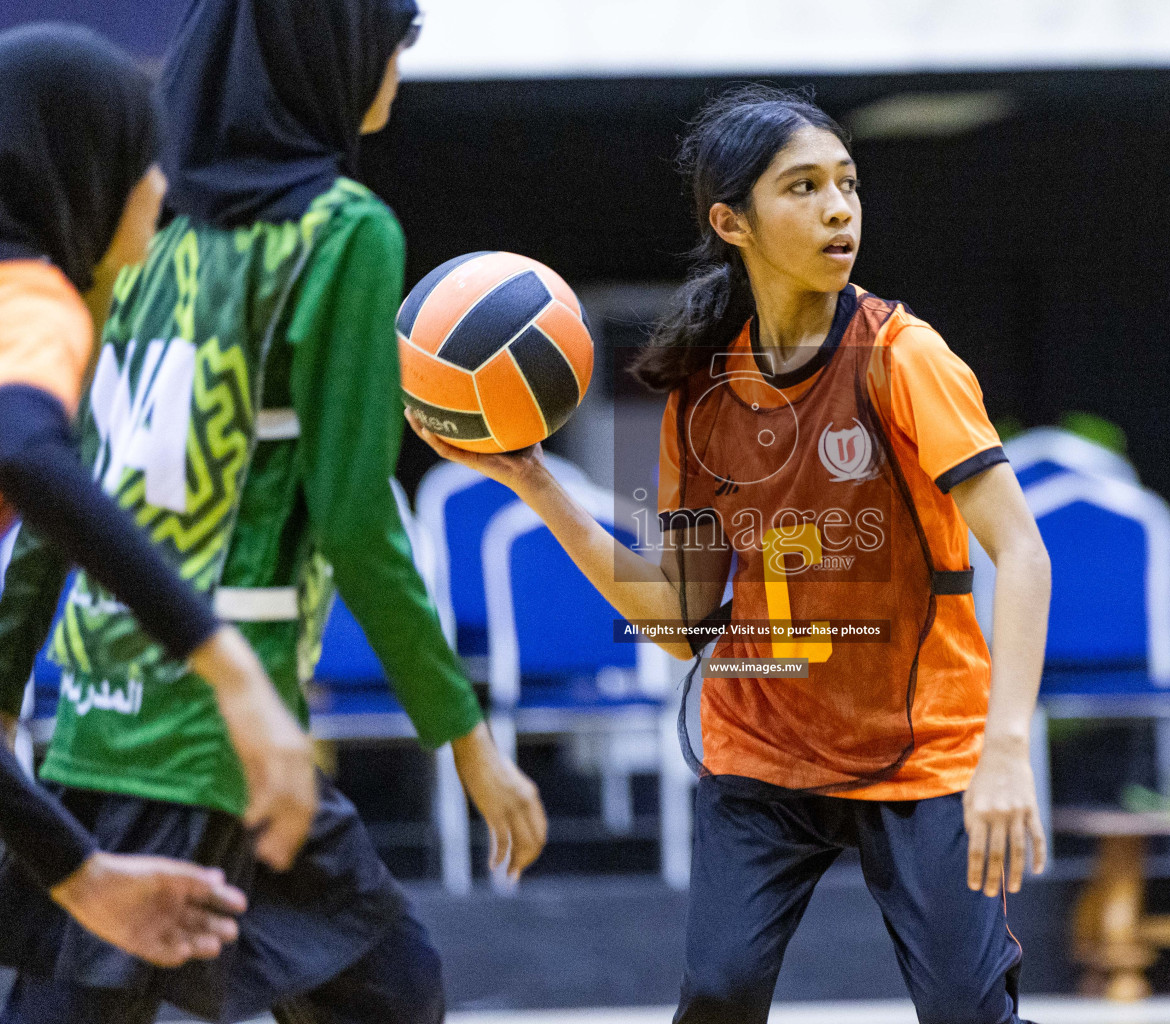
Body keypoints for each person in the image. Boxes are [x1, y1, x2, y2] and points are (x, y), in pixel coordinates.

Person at [409, 86, 1052, 1024]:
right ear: (732, 221)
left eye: (847, 184)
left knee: (966, 1011)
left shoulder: (902, 357)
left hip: (923, 752)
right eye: (803, 187)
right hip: (763, 746)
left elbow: (1022, 552)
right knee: (718, 995)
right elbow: (682, 626)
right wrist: (540, 486)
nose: (839, 209)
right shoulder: (701, 387)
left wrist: (1005, 752)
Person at [0, 4, 546, 1022]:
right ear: (325, 52)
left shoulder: (135, 233)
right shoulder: (343, 232)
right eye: (392, 39)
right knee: (395, 994)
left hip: (98, 708)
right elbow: (354, 521)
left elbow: (62, 481)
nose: (396, 68)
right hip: (219, 741)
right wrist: (463, 734)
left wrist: (1, 675)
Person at [0, 23, 321, 969]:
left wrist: (80, 874)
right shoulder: (23, 299)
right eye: (145, 161)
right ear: (84, 172)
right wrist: (230, 671)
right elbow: (30, 459)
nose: (163, 190)